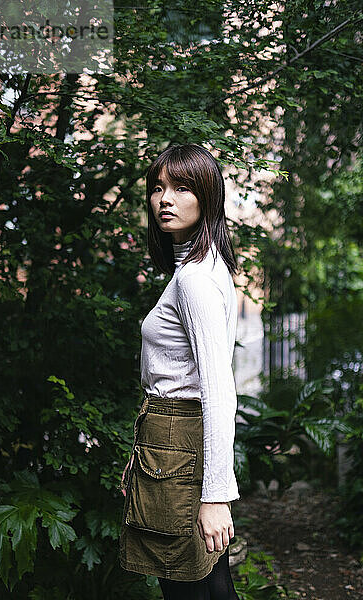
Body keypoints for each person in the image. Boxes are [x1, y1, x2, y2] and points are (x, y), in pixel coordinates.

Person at [119, 143, 241, 600]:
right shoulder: (203, 269)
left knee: (188, 587)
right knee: (211, 584)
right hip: (172, 440)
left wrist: (215, 496)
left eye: (181, 187)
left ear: (207, 196)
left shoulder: (194, 279)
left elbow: (218, 391)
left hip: (182, 443)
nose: (164, 199)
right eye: (157, 188)